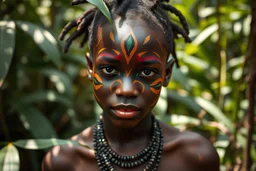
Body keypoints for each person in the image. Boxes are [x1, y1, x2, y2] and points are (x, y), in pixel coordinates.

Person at [42, 0, 220, 170]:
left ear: (166, 73)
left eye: (147, 72)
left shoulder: (195, 158)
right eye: (109, 70)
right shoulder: (63, 162)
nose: (126, 90)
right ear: (91, 68)